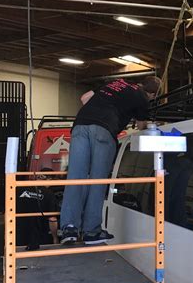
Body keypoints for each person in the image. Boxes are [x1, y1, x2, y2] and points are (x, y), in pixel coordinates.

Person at [60, 76, 161, 245]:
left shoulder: (117, 82)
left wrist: (97, 113)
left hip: (80, 125)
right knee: (97, 181)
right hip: (104, 129)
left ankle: (69, 229)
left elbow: (84, 98)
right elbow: (141, 126)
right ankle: (91, 232)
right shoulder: (142, 98)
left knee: (75, 178)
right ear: (151, 94)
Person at [16, 171, 58, 250]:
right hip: (38, 237)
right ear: (50, 179)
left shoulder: (19, 188)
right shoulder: (49, 194)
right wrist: (55, 238)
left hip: (17, 233)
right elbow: (52, 219)